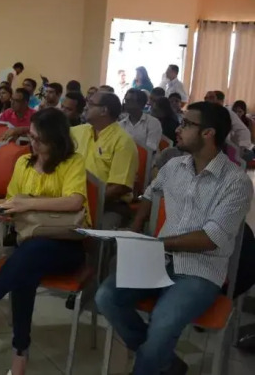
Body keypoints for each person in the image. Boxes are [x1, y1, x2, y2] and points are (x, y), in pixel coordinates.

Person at [97, 101, 253, 375]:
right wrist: (135, 226)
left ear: (208, 133)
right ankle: (165, 362)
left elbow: (210, 238)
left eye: (187, 124)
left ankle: (153, 362)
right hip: (159, 260)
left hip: (200, 270)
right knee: (106, 297)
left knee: (163, 322)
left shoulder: (235, 182)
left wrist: (156, 243)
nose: (178, 129)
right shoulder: (174, 167)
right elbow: (150, 193)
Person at [0, 108, 88, 375]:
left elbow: (74, 201)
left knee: (25, 259)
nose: (33, 143)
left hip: (66, 244)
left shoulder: (72, 162)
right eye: (31, 136)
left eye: (39, 139)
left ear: (56, 140)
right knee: (25, 270)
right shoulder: (24, 163)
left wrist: (27, 203)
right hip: (30, 242)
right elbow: (12, 202)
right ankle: (19, 353)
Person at [71, 91, 138, 228]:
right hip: (74, 198)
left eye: (90, 104)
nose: (85, 107)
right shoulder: (80, 131)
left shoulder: (123, 141)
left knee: (96, 232)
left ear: (104, 110)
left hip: (108, 205)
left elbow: (120, 186)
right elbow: (54, 135)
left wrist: (89, 202)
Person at [204, 91, 254, 160]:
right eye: (205, 98)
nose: (207, 100)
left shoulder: (226, 113)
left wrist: (240, 149)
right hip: (220, 146)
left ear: (220, 101)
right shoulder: (205, 113)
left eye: (211, 98)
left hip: (235, 146)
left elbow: (243, 132)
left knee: (248, 155)